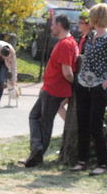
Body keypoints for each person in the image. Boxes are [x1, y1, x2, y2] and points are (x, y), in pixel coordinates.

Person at [71, 3, 107, 176]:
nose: (88, 19)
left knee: (96, 124)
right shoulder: (91, 35)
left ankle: (103, 163)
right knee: (82, 123)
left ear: (96, 17)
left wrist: (105, 84)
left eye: (91, 16)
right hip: (83, 84)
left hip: (98, 87)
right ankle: (82, 160)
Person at [21, 14, 78, 168]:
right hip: (50, 88)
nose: (51, 28)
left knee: (42, 121)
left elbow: (67, 72)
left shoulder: (66, 44)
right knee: (37, 118)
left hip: (54, 90)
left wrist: (75, 85)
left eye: (53, 24)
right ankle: (36, 152)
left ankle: (37, 153)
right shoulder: (68, 42)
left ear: (59, 25)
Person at [58, 12, 91, 121]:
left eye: (81, 23)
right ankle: (71, 126)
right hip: (75, 76)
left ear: (88, 25)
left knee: (64, 105)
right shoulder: (81, 37)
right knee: (61, 105)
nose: (78, 25)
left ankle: (72, 126)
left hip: (81, 79)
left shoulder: (91, 38)